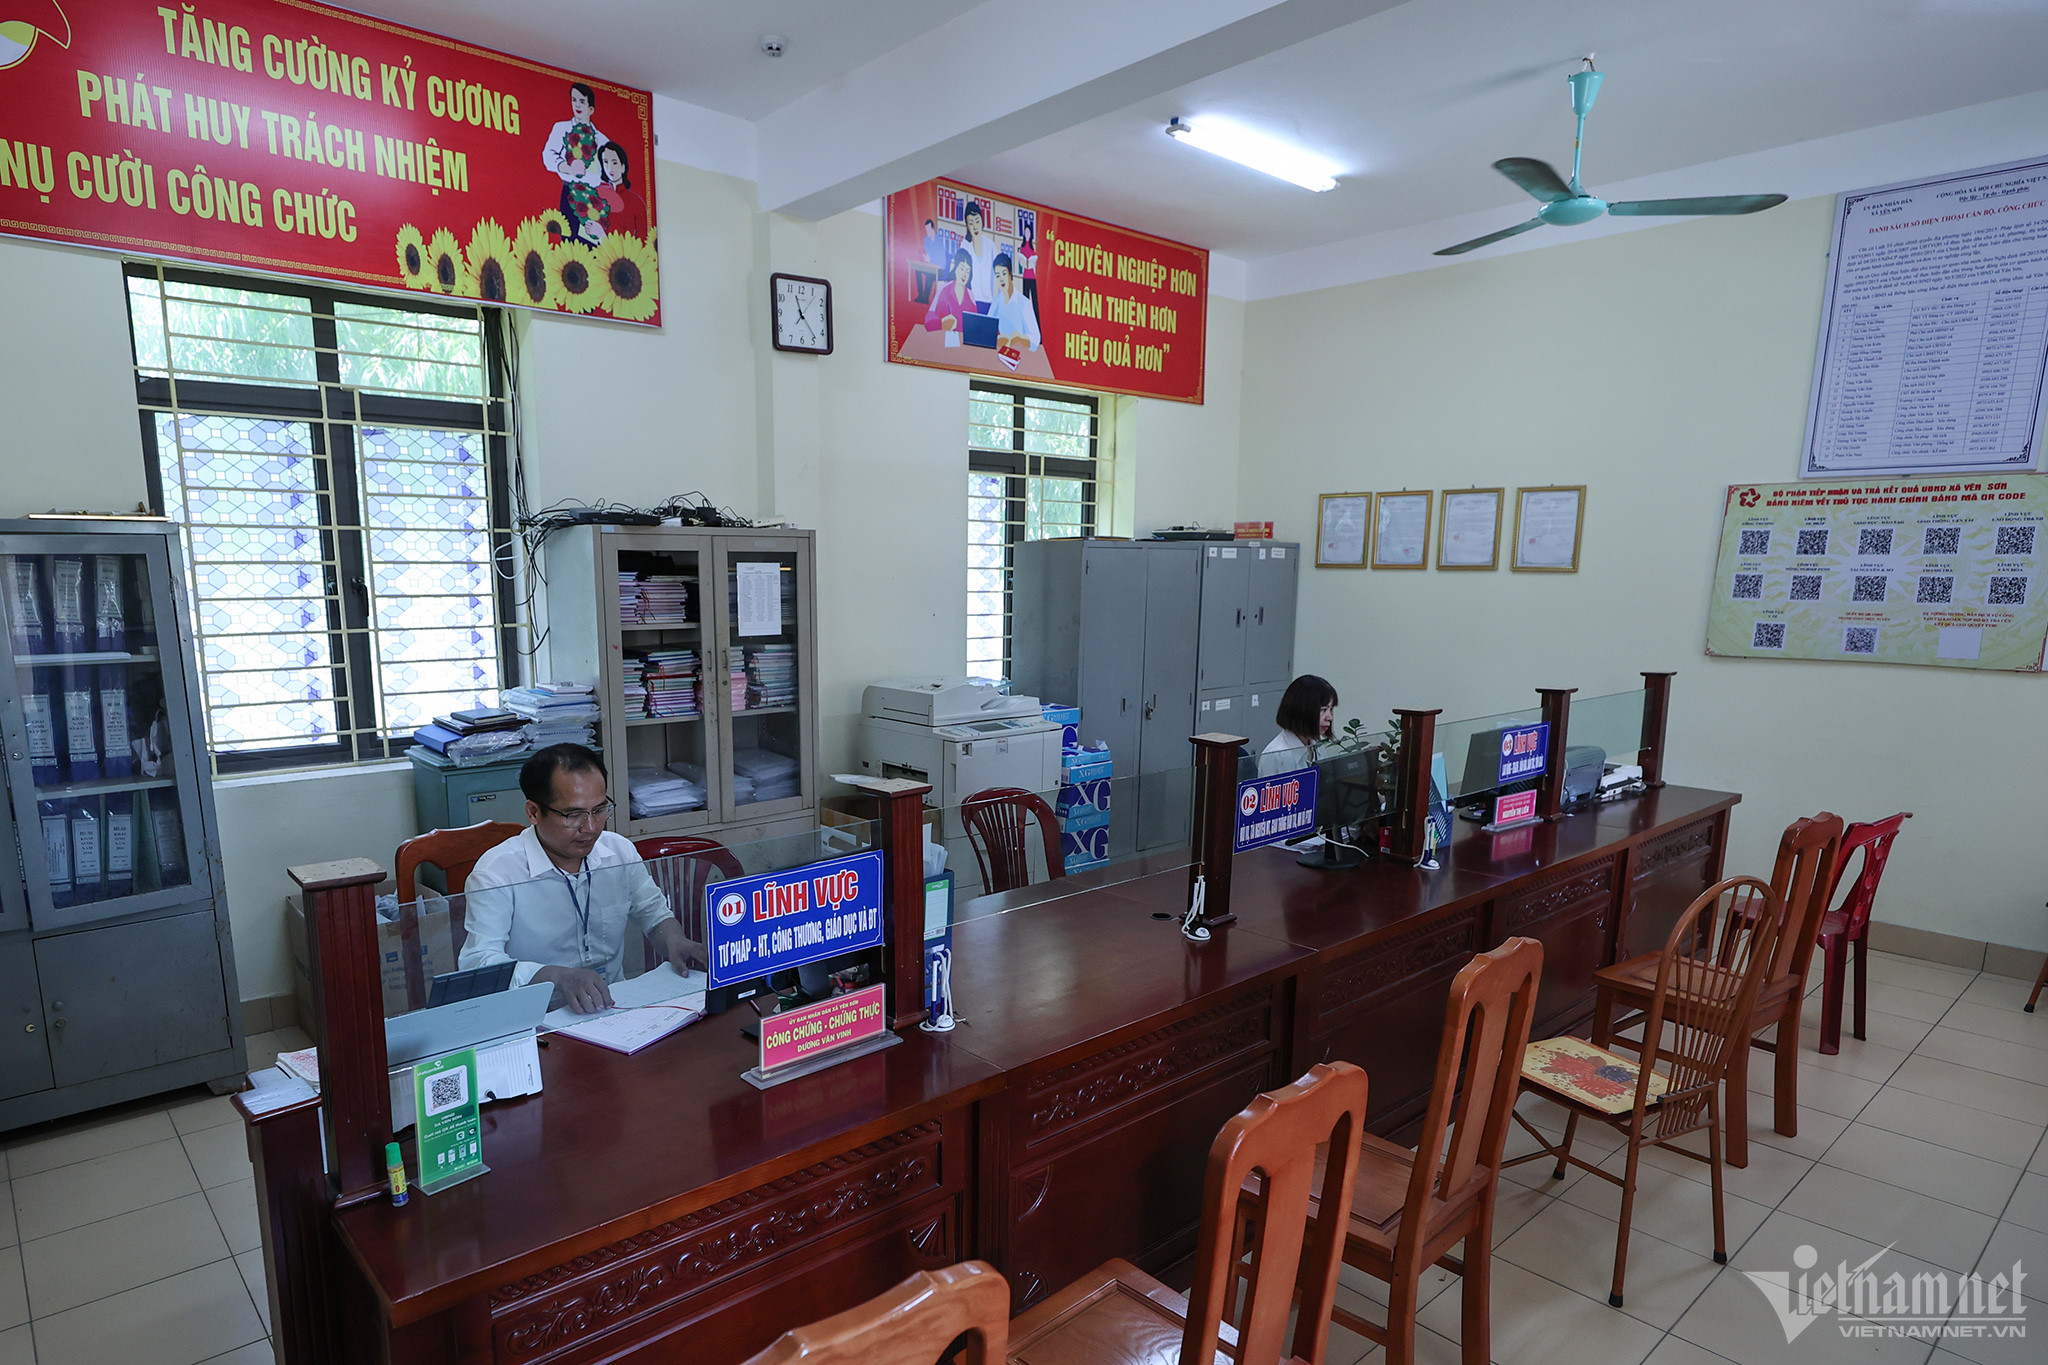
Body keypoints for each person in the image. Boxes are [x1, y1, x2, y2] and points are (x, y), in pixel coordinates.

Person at [459, 744, 696, 1013]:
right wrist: (557, 977)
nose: (591, 828)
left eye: (599, 810)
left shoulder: (618, 851)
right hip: (535, 1016)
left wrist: (675, 939)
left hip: (613, 1007)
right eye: (573, 815)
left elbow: (653, 913)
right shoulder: (497, 873)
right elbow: (479, 963)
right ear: (533, 812)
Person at [543, 83, 608, 247]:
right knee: (569, 244)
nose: (577, 105)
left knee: (593, 246)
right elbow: (548, 156)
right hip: (570, 192)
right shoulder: (561, 128)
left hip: (594, 198)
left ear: (591, 109)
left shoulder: (602, 140)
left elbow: (607, 174)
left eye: (582, 101)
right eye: (574, 100)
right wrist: (567, 168)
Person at [1259, 674, 1339, 775]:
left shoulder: (1317, 746)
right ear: (1303, 710)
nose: (1330, 717)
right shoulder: (1277, 755)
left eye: (1331, 709)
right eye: (1323, 710)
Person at [594, 142, 647, 241]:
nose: (610, 168)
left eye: (614, 163)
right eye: (605, 162)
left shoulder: (636, 202)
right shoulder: (596, 196)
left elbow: (643, 240)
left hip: (625, 250)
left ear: (623, 167)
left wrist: (602, 235)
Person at [989, 253, 1040, 351]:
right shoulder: (996, 302)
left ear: (1010, 275)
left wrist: (1020, 338)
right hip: (1002, 352)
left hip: (1021, 353)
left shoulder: (1024, 303)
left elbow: (1036, 338)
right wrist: (997, 339)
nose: (1001, 279)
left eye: (1004, 274)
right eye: (998, 276)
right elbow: (987, 330)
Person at [924, 247, 976, 340]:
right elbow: (929, 320)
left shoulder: (971, 294)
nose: (964, 274)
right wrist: (942, 324)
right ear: (955, 269)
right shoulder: (944, 289)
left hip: (965, 342)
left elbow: (976, 323)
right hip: (945, 340)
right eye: (962, 269)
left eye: (967, 271)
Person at [959, 201, 1002, 305]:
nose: (975, 227)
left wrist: (1001, 301)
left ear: (982, 221)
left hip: (988, 301)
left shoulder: (990, 246)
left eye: (977, 221)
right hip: (970, 301)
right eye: (971, 223)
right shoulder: (965, 246)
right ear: (967, 226)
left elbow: (999, 273)